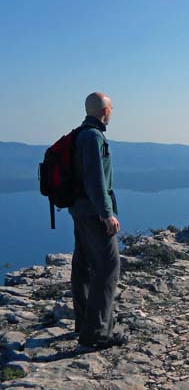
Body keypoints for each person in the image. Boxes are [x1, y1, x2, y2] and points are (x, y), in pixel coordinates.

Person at [68, 92, 127, 348]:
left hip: (80, 209)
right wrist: (107, 214)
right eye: (111, 108)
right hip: (93, 213)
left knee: (83, 265)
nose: (112, 111)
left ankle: (84, 321)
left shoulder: (83, 133)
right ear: (104, 111)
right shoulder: (93, 137)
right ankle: (97, 333)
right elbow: (95, 180)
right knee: (108, 267)